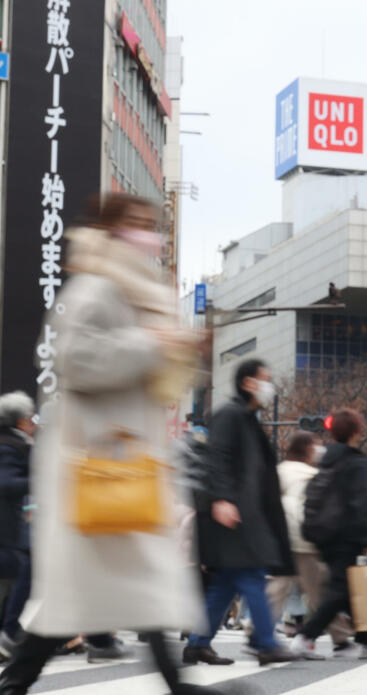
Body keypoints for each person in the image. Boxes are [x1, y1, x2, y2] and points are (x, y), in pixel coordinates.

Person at [0, 194, 209, 695]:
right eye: (136, 224)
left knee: (134, 583)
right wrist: (155, 342)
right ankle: (16, 682)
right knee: (99, 586)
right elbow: (75, 358)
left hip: (121, 462)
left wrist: (172, 348)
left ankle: (176, 685)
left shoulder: (129, 291)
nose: (147, 235)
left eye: (150, 224)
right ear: (110, 230)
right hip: (96, 463)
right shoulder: (96, 287)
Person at [185, 359, 296, 666]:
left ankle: (198, 644)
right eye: (266, 379)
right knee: (251, 576)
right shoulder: (230, 414)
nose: (270, 385)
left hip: (240, 510)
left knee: (226, 583)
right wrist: (222, 498)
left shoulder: (245, 417)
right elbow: (217, 457)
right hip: (231, 510)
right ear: (248, 382)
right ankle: (266, 642)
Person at [292, 408, 367, 658]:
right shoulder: (359, 463)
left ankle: (365, 638)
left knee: (346, 587)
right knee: (340, 588)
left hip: (323, 532)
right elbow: (361, 504)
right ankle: (306, 636)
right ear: (356, 432)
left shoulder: (326, 460)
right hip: (347, 534)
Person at [264, 432, 354, 660]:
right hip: (305, 540)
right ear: (306, 449)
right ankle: (341, 638)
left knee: (278, 588)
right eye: (316, 446)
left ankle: (258, 634)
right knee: (320, 592)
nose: (319, 450)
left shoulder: (278, 471)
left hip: (280, 537)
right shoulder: (310, 475)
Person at [0, 394, 37, 660]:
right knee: (22, 571)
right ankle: (10, 632)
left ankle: (10, 632)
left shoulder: (13, 443)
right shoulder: (10, 446)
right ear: (23, 421)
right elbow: (7, 483)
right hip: (7, 529)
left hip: (11, 529)